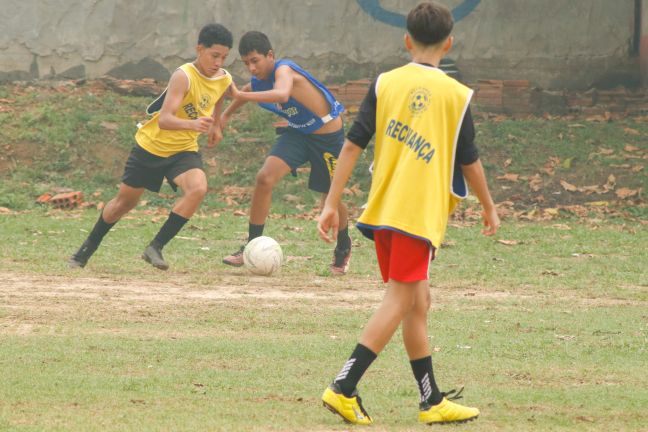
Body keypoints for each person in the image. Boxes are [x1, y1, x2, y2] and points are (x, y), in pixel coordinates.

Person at [317, 2, 500, 425]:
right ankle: (343, 386)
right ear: (449, 42)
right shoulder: (457, 95)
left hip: (384, 208)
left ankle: (431, 399)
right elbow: (469, 159)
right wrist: (489, 206)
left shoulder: (386, 82)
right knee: (401, 298)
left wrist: (331, 202)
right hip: (418, 214)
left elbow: (352, 143)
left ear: (406, 41)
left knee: (418, 301)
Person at [68, 23, 234, 271]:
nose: (218, 62)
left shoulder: (224, 77)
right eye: (214, 55)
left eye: (224, 57)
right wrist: (194, 123)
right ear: (199, 49)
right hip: (151, 147)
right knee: (124, 204)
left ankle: (155, 247)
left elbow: (220, 95)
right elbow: (166, 120)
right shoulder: (184, 75)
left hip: (183, 151)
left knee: (198, 188)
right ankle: (84, 252)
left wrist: (217, 125)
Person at [220, 31, 352, 275]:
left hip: (327, 138)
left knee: (329, 197)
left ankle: (343, 245)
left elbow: (281, 94)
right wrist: (225, 115)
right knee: (264, 177)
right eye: (246, 63)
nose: (251, 67)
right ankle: (250, 246)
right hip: (298, 134)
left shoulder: (284, 70)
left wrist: (240, 95)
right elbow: (249, 87)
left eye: (255, 60)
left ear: (270, 55)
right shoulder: (259, 79)